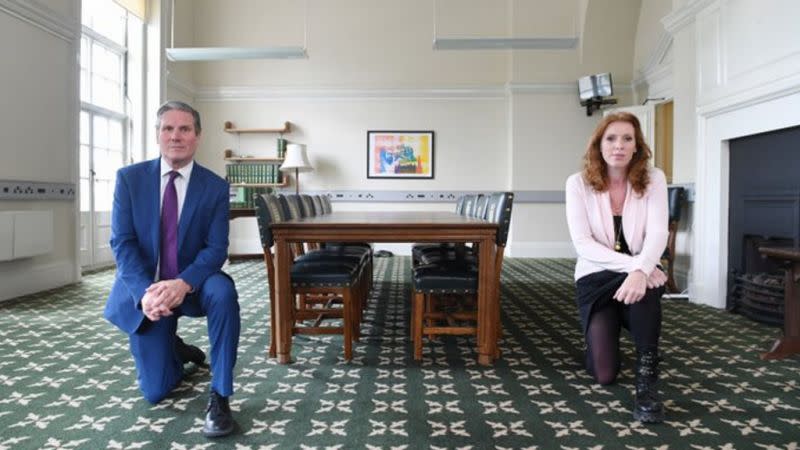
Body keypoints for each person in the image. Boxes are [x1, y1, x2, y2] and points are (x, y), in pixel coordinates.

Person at [104, 101, 240, 437]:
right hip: (149, 293)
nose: (175, 136)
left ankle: (220, 396)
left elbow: (216, 248)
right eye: (168, 128)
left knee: (223, 292)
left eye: (184, 129)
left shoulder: (215, 187)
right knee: (156, 392)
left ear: (197, 136)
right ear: (157, 134)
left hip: (195, 284)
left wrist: (183, 283)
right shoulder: (130, 179)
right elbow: (123, 242)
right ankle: (177, 349)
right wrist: (145, 292)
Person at [565, 112, 669, 423]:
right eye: (611, 138)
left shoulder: (654, 179)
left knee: (646, 291)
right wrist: (640, 266)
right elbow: (583, 244)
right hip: (596, 277)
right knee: (604, 374)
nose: (619, 146)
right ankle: (603, 336)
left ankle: (647, 378)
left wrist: (639, 273)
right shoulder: (578, 184)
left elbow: (658, 233)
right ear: (599, 144)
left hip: (638, 280)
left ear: (637, 146)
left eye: (627, 139)